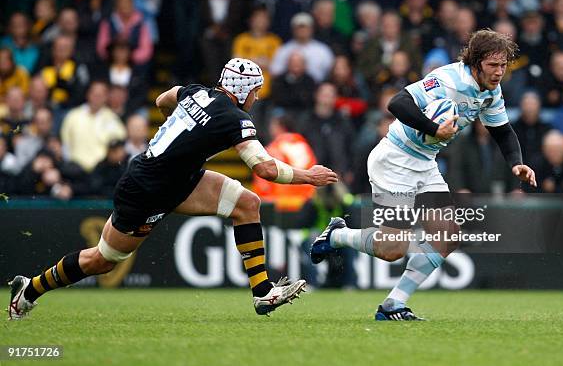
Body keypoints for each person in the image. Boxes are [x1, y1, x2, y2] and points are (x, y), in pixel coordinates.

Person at [8, 58, 338, 320]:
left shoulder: (195, 91)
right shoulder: (235, 118)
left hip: (174, 178)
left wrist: (179, 126)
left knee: (246, 203)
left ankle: (262, 291)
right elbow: (264, 168)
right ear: (243, 91)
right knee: (103, 259)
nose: (256, 97)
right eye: (255, 91)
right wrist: (309, 176)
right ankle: (30, 289)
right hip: (147, 190)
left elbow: (163, 98)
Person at [310, 30, 536, 320]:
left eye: (504, 65)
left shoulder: (491, 92)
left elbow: (502, 130)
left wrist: (516, 163)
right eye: (493, 65)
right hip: (395, 161)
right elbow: (397, 103)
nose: (499, 72)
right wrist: (434, 128)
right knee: (392, 248)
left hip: (425, 163)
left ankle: (393, 305)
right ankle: (338, 235)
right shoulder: (448, 80)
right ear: (476, 62)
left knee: (448, 235)